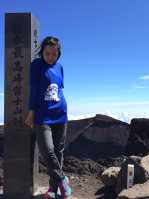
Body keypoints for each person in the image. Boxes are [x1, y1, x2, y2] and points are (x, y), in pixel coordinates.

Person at [25, 36, 72, 199]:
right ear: (42, 52)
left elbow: (59, 89)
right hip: (42, 115)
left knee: (58, 152)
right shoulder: (36, 65)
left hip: (60, 113)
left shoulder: (60, 67)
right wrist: (31, 111)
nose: (51, 57)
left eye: (54, 54)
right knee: (47, 150)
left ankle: (53, 189)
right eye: (47, 54)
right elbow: (34, 88)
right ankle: (62, 179)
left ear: (58, 54)